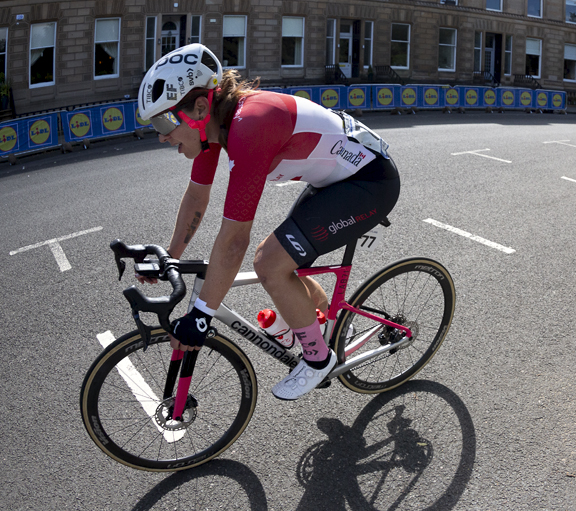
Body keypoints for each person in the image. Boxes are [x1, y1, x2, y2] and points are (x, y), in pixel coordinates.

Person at [137, 43, 400, 400]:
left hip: (370, 183)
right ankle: (326, 329)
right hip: (337, 181)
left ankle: (318, 358)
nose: (161, 135)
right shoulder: (213, 126)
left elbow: (234, 242)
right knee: (286, 261)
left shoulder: (249, 126)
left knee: (270, 262)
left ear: (200, 107)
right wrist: (170, 254)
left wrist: (201, 316)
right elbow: (198, 196)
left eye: (164, 121)